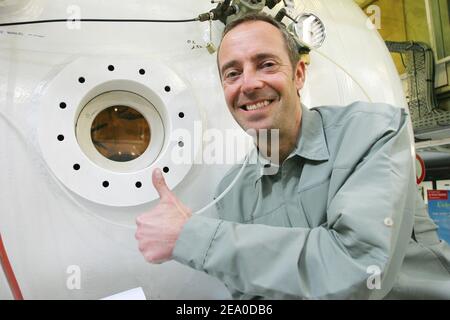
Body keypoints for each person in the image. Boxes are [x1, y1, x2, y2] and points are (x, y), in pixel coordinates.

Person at [135, 13, 450, 299]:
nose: (249, 83)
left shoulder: (371, 132)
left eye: (266, 64)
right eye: (232, 73)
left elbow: (358, 268)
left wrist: (193, 237)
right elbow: (253, 295)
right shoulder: (233, 192)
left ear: (299, 74)